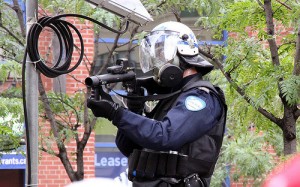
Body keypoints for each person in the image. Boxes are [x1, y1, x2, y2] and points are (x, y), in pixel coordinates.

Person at [87, 21, 227, 187]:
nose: (158, 62)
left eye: (162, 55)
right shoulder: (173, 96)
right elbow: (128, 147)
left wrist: (116, 113)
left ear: (182, 53)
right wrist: (134, 109)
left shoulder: (201, 98)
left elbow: (164, 136)